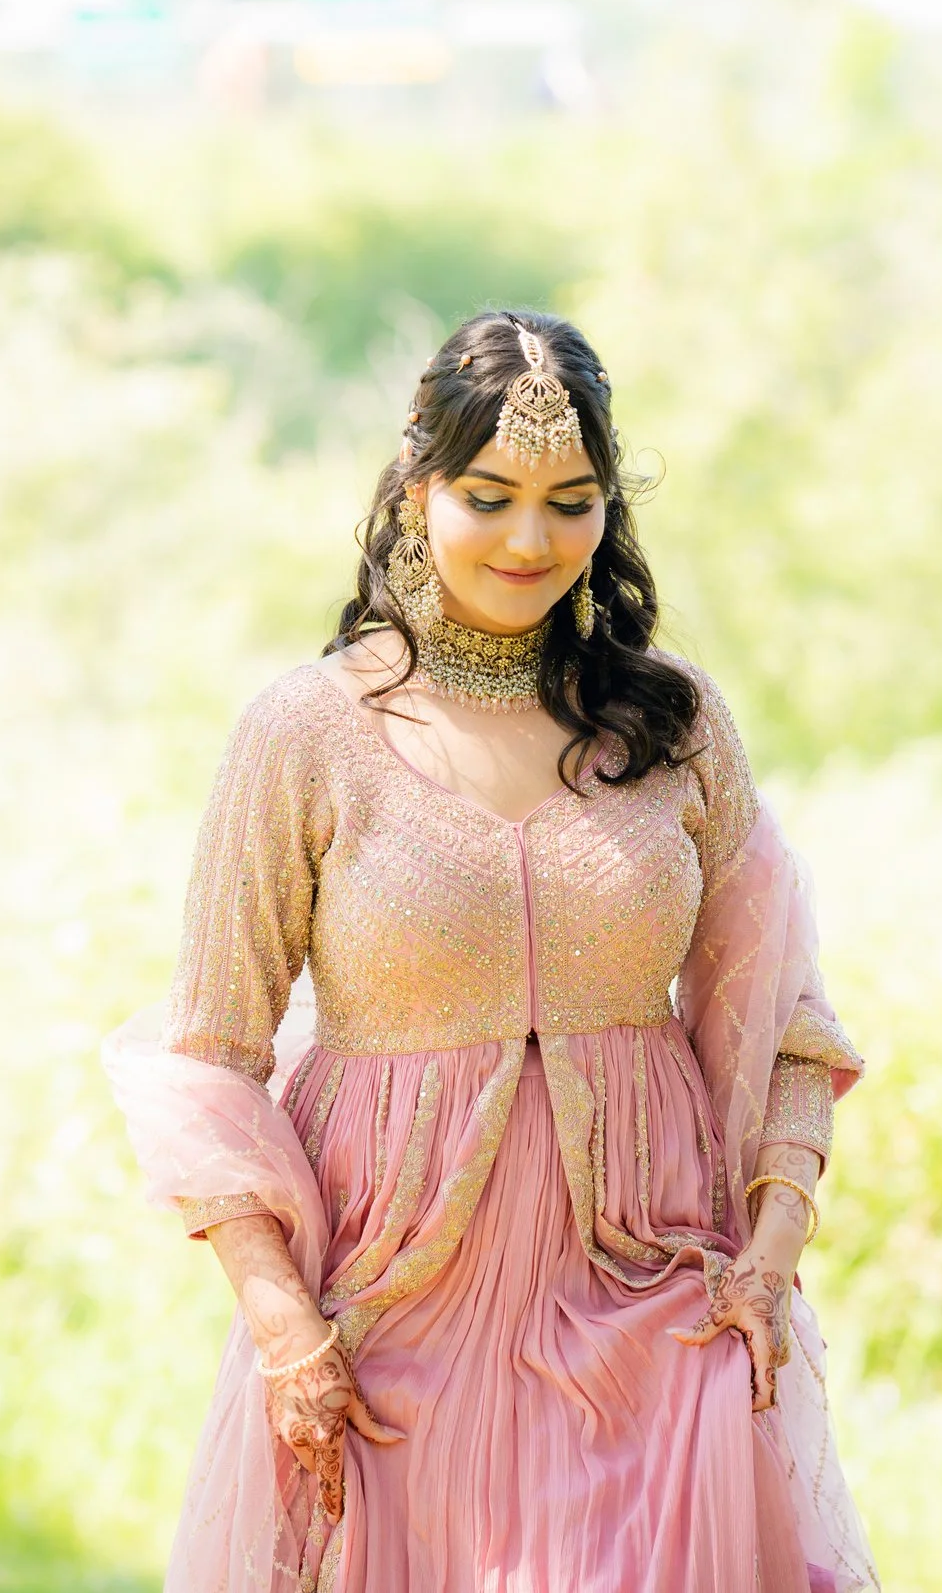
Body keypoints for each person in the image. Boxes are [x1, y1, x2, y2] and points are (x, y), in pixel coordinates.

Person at [102, 310, 879, 1593]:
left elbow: (788, 1017)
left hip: (657, 1296)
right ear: (418, 489)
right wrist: (285, 1323)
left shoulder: (671, 722)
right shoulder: (307, 732)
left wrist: (769, 1258)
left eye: (571, 502)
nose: (531, 540)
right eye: (490, 496)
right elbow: (210, 1057)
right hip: (384, 1312)